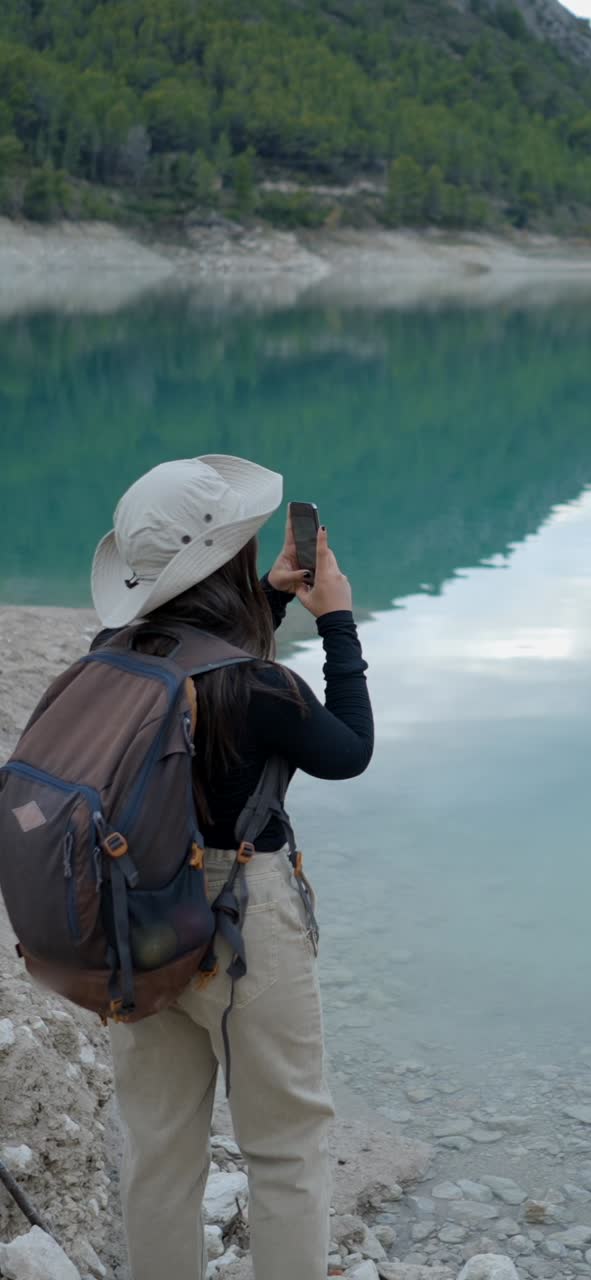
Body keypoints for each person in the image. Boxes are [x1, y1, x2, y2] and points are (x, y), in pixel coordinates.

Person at [89, 454, 374, 1280]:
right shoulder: (262, 688)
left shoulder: (111, 656)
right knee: (285, 1149)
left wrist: (273, 599)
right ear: (228, 562)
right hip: (245, 919)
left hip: (133, 917)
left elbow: (198, 658)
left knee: (160, 1149)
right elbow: (349, 751)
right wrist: (338, 622)